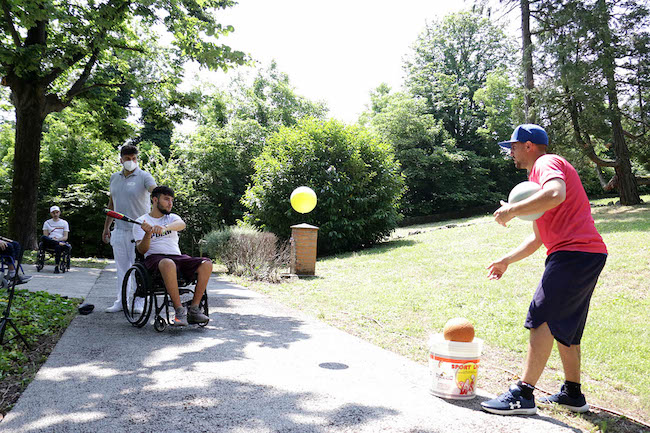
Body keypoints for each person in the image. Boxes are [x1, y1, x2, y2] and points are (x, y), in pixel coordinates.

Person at [481, 124, 607, 416]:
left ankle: (523, 393)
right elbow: (538, 238)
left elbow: (556, 193)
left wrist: (512, 210)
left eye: (512, 146)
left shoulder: (546, 163)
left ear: (528, 145)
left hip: (574, 253)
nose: (509, 153)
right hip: (584, 254)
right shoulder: (534, 181)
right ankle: (573, 395)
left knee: (542, 316)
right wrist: (505, 260)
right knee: (567, 327)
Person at [133, 186, 211, 326]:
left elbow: (181, 224)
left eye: (172, 200)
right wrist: (148, 234)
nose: (170, 203)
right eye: (166, 199)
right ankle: (179, 311)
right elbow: (142, 250)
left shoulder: (172, 218)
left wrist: (165, 228)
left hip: (177, 257)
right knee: (168, 263)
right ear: (155, 200)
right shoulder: (141, 221)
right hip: (155, 259)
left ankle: (194, 309)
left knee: (207, 264)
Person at [102, 144, 157, 313]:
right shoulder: (114, 178)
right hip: (119, 230)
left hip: (139, 231)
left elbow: (155, 192)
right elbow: (112, 204)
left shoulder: (144, 176)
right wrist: (106, 228)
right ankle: (121, 301)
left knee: (139, 268)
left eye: (134, 158)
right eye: (127, 159)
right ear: (121, 160)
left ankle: (139, 301)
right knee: (121, 268)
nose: (131, 161)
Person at [41, 205, 72, 273]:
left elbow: (65, 237)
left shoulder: (64, 223)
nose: (55, 214)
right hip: (50, 242)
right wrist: (53, 240)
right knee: (43, 237)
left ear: (59, 213)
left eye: (57, 212)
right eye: (53, 212)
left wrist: (58, 240)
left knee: (58, 246)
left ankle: (57, 266)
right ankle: (57, 243)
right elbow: (45, 236)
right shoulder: (47, 223)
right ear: (51, 213)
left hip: (60, 242)